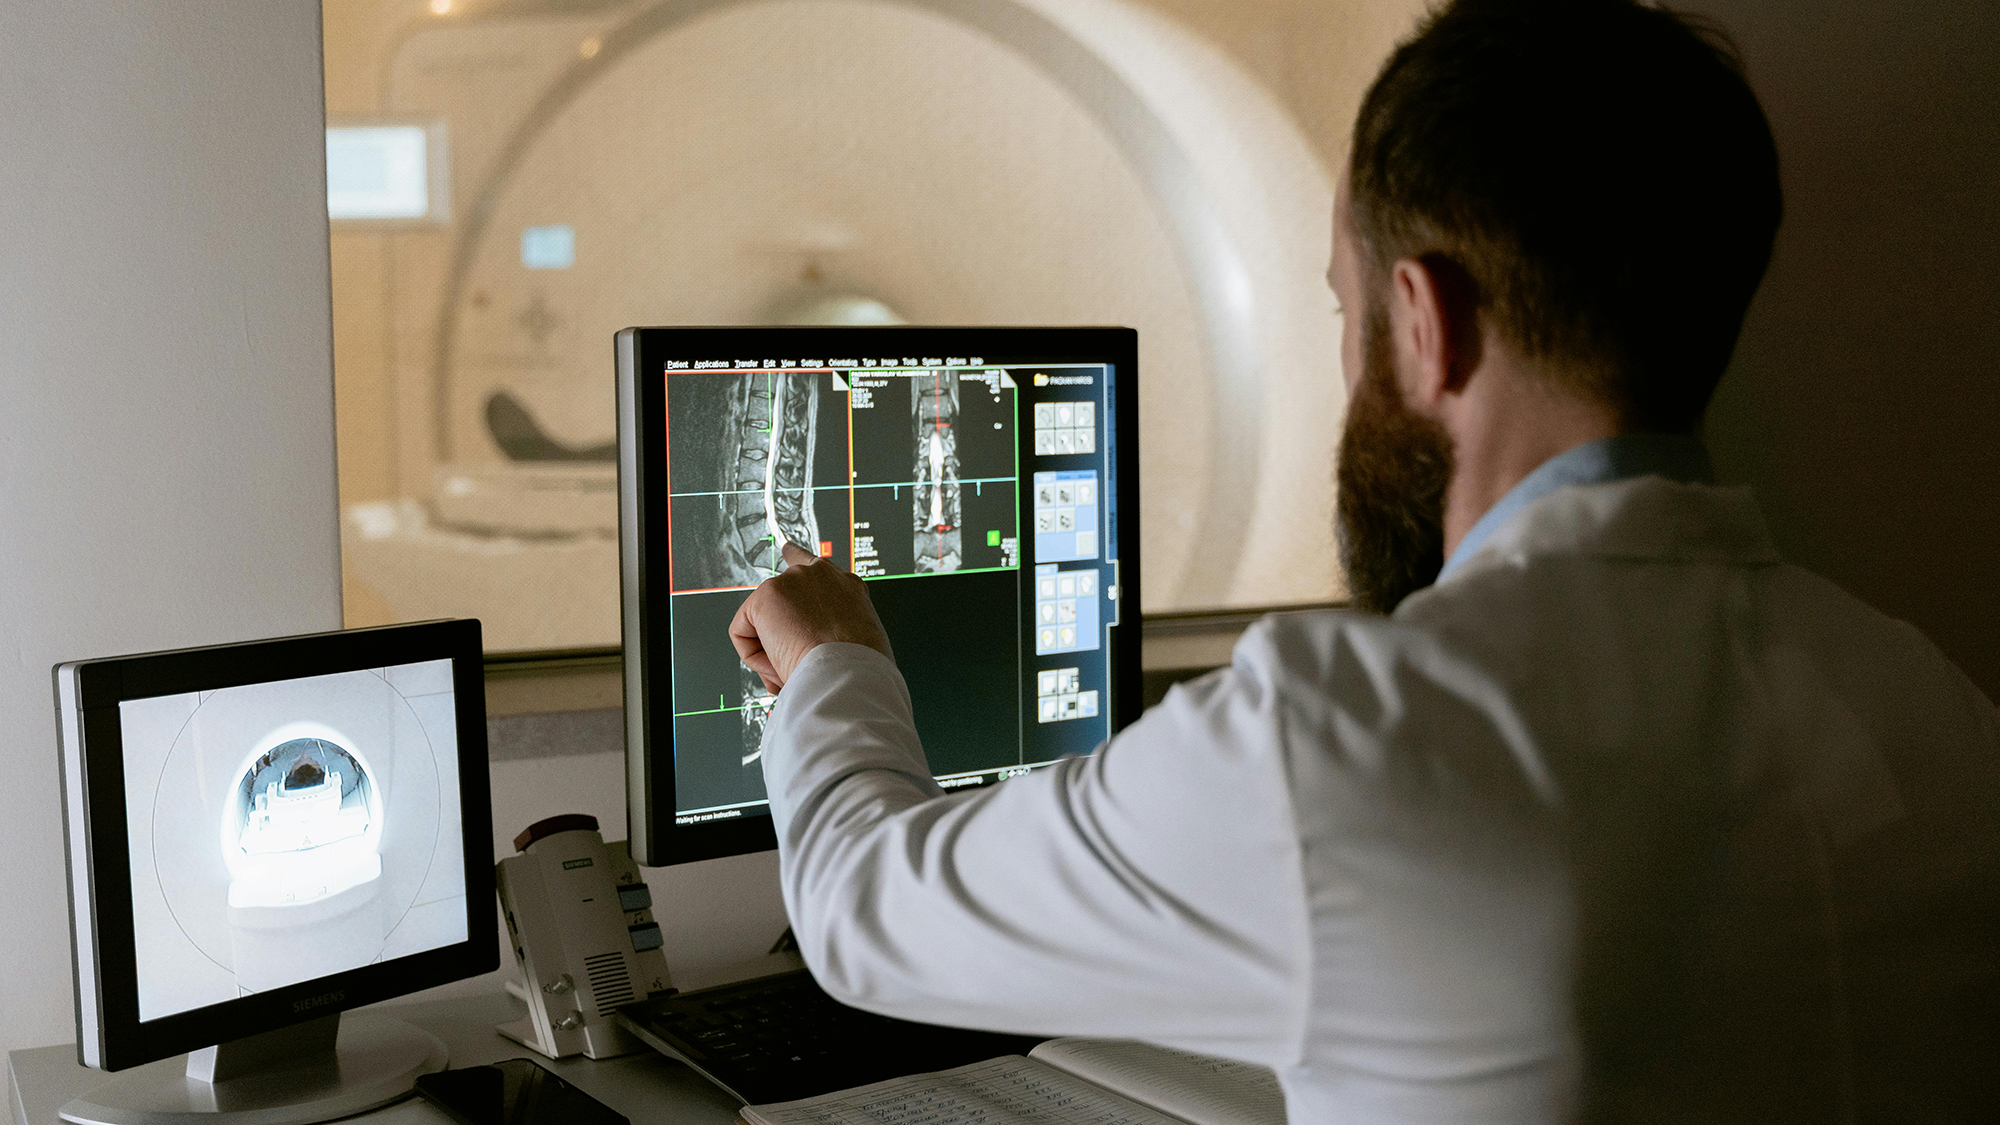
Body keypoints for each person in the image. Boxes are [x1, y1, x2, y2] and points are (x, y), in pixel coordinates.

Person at [727, 0, 2000, 1119]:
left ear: (1421, 319)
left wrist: (836, 659)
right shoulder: (1930, 714)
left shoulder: (1347, 733)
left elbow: (861, 913)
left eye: (1345, 310)